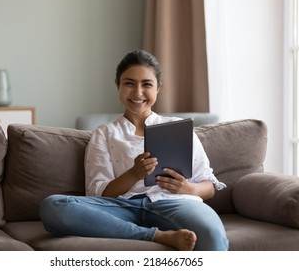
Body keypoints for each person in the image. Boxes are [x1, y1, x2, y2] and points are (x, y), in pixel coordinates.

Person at [40, 50, 229, 251]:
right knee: (54, 206)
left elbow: (208, 186)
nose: (138, 93)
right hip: (122, 208)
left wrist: (188, 188)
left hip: (174, 203)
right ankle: (156, 236)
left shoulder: (180, 128)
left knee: (212, 234)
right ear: (118, 85)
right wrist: (134, 174)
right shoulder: (104, 133)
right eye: (129, 83)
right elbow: (97, 193)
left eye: (146, 84)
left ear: (158, 88)